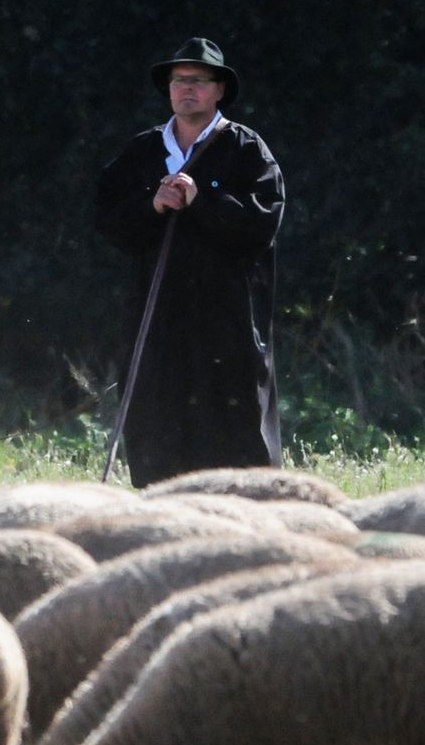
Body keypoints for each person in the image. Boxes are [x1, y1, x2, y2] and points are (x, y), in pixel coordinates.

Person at [95, 37, 286, 485]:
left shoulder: (247, 151)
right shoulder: (141, 152)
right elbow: (108, 221)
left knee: (234, 442)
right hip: (158, 324)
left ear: (219, 90)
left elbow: (263, 225)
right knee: (158, 434)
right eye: (179, 80)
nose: (187, 89)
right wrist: (152, 205)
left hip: (227, 327)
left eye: (198, 81)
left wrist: (204, 201)